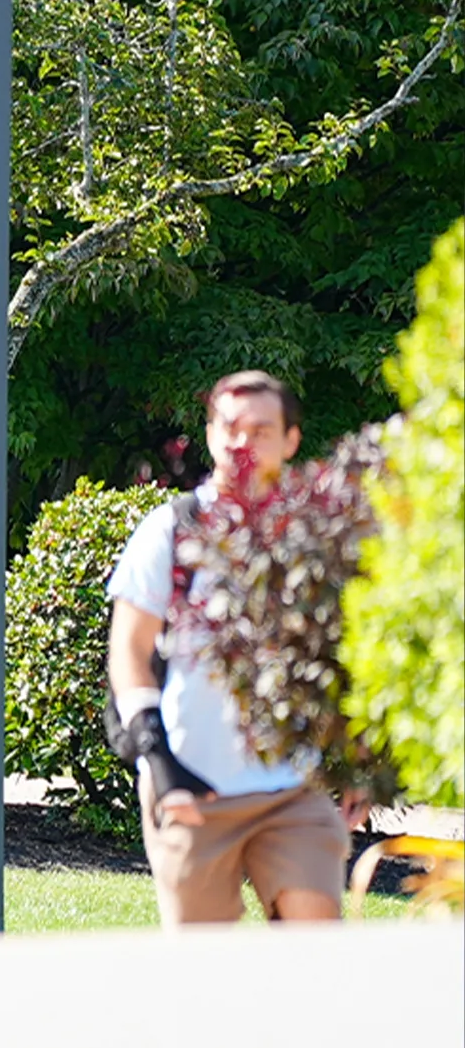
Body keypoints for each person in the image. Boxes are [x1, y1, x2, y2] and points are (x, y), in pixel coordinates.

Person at [105, 371, 368, 926]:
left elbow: (347, 657)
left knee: (314, 941)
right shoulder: (171, 532)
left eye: (260, 429)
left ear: (291, 440)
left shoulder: (315, 537)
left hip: (295, 787)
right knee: (206, 978)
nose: (242, 441)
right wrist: (157, 759)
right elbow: (129, 653)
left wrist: (359, 762)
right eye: (229, 427)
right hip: (190, 785)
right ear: (209, 435)